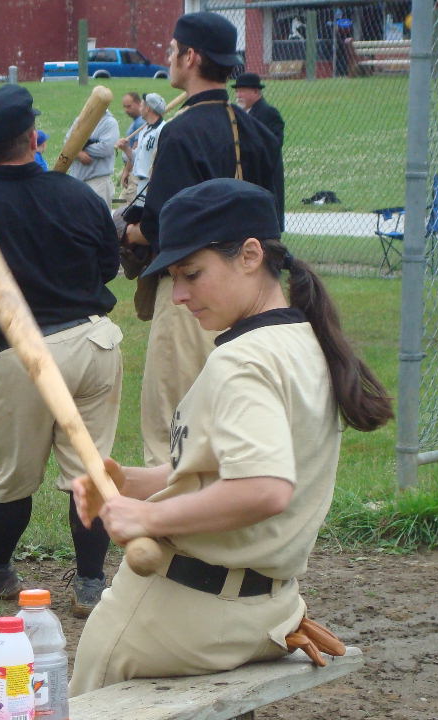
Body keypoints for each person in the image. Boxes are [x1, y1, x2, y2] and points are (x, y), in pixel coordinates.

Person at [68, 178, 393, 694]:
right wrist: (128, 481)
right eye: (174, 277)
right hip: (268, 612)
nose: (178, 295)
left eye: (192, 274)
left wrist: (149, 516)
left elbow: (262, 488)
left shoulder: (242, 360)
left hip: (178, 617)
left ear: (249, 255)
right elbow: (216, 471)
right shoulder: (303, 338)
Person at [0, 85, 124, 617]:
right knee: (88, 470)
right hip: (95, 341)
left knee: (13, 476)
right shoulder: (79, 195)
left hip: (25, 354)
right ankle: (91, 584)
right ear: (32, 137)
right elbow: (107, 267)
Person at [122, 11, 284, 468]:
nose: (170, 58)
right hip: (256, 293)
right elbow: (274, 220)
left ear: (191, 57)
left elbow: (160, 228)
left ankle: (175, 531)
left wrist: (126, 230)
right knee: (237, 421)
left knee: (172, 426)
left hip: (194, 294)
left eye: (174, 50)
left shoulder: (180, 132)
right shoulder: (258, 132)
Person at [116, 92, 166, 208]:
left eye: (142, 105)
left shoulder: (163, 130)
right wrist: (126, 148)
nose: (140, 108)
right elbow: (136, 159)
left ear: (148, 108)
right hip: (139, 184)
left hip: (151, 185)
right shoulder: (144, 129)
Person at [65, 106, 119, 204]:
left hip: (98, 182)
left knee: (98, 218)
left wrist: (80, 147)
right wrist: (78, 153)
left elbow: (106, 148)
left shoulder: (109, 123)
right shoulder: (80, 119)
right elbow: (67, 142)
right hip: (77, 180)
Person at [232, 72, 284, 147]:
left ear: (255, 92)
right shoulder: (237, 113)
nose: (238, 95)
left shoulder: (269, 113)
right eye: (237, 91)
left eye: (242, 91)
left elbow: (275, 145)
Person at [119, 92, 144, 198]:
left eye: (129, 106)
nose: (126, 110)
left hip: (133, 173)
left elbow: (135, 149)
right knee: (121, 202)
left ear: (139, 103)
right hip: (131, 169)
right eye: (124, 107)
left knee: (124, 203)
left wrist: (126, 171)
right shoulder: (136, 122)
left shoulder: (140, 122)